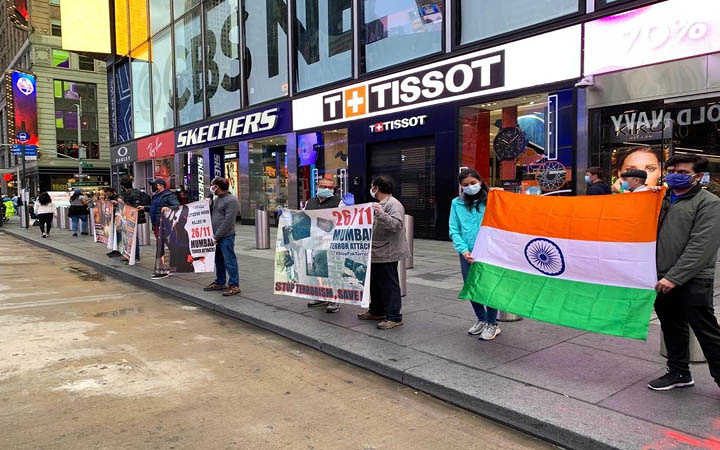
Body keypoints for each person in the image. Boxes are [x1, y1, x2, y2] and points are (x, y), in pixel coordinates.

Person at [649, 155, 720, 391]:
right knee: (671, 326)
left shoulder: (708, 203)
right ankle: (679, 372)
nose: (674, 174)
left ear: (698, 176)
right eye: (671, 170)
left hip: (693, 279)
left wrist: (675, 277)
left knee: (706, 331)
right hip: (662, 274)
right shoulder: (662, 200)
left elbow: (701, 246)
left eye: (682, 171)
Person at [449, 168, 501, 340]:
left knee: (489, 288)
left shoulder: (492, 200)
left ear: (480, 181)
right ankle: (482, 319)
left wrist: (500, 195)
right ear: (461, 187)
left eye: (473, 183)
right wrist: (463, 250)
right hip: (467, 253)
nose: (470, 187)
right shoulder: (456, 203)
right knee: (471, 288)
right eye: (466, 185)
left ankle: (493, 323)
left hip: (489, 251)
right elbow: (454, 229)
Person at [357, 176, 409, 330]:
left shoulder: (393, 204)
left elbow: (397, 225)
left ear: (377, 188)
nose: (372, 189)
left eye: (373, 186)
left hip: (388, 251)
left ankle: (394, 316)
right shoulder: (378, 204)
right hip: (376, 251)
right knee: (375, 284)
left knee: (389, 285)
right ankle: (376, 311)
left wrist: (380, 213)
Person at [305, 174, 344, 313]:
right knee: (317, 271)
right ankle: (320, 296)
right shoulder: (310, 202)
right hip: (314, 242)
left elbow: (343, 222)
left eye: (329, 187)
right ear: (317, 187)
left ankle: (334, 299)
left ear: (334, 190)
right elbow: (305, 219)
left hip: (331, 242)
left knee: (333, 272)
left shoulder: (339, 202)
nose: (326, 189)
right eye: (323, 186)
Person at [203, 177, 241, 296]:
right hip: (216, 236)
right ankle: (220, 282)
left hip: (226, 236)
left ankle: (234, 285)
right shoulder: (217, 199)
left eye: (212, 185)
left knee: (229, 260)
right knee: (218, 260)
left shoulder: (231, 200)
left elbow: (228, 222)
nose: (211, 187)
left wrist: (217, 236)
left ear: (217, 187)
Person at [149, 178, 180, 279]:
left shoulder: (169, 195)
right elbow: (155, 208)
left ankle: (166, 269)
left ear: (160, 185)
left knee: (164, 247)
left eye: (154, 185)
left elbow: (177, 206)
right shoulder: (156, 196)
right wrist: (145, 208)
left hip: (165, 225)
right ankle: (162, 268)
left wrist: (168, 208)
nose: (153, 187)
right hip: (157, 224)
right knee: (160, 247)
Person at [118, 176, 151, 262]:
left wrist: (123, 202)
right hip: (131, 218)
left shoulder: (133, 193)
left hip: (133, 218)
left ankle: (135, 256)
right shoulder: (131, 192)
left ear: (123, 186)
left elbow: (134, 206)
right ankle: (130, 255)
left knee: (133, 237)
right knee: (130, 236)